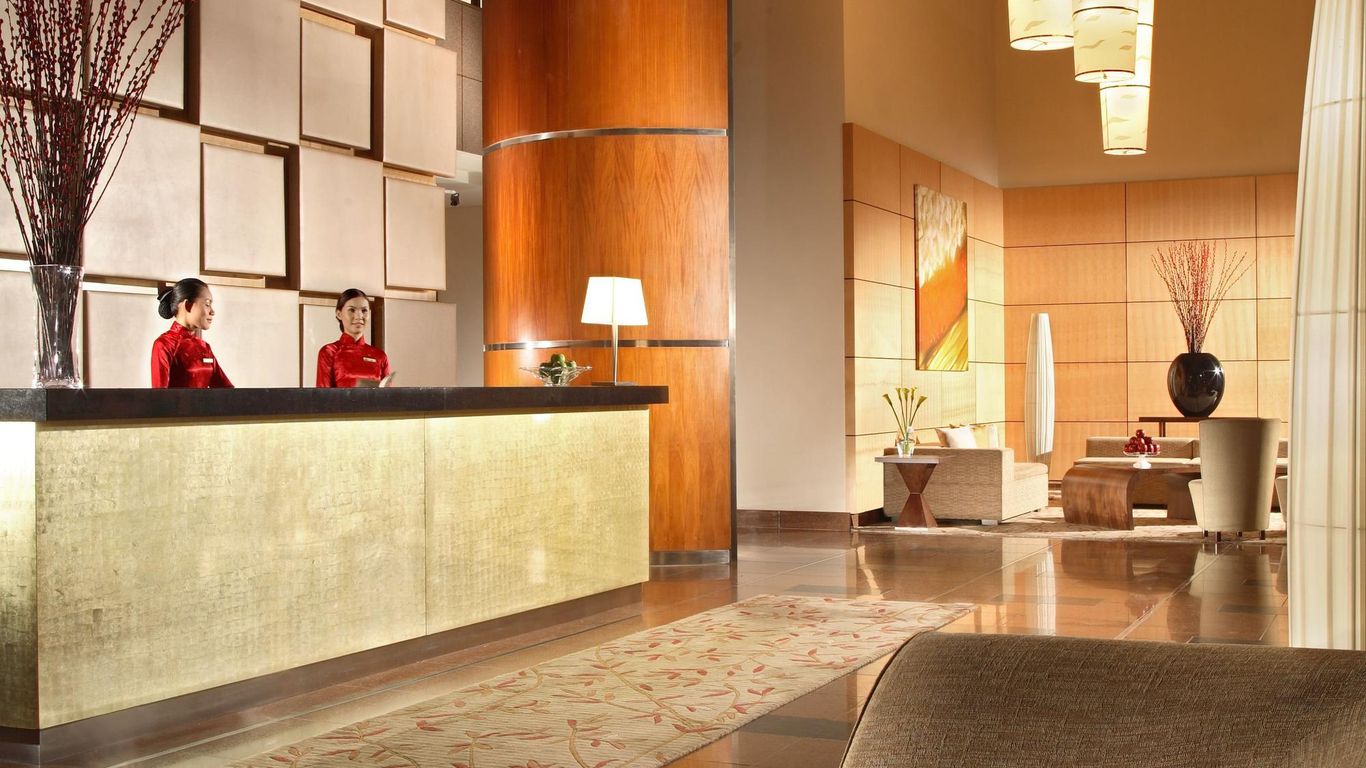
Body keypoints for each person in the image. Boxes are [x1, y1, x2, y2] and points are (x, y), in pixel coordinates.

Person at [151, 278, 233, 388]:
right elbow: (159, 396)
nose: (212, 311)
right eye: (207, 304)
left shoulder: (204, 347)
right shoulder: (164, 345)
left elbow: (227, 391)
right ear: (187, 305)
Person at [316, 288, 393, 388]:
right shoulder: (329, 352)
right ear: (339, 314)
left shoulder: (380, 356)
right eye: (352, 310)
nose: (359, 316)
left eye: (364, 310)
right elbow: (322, 395)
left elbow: (389, 395)